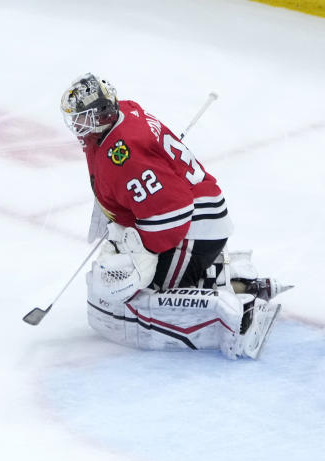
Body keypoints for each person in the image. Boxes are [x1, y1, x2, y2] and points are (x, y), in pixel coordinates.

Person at [60, 73, 291, 359]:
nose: (76, 124)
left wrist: (144, 252)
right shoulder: (122, 115)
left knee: (145, 293)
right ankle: (233, 278)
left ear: (100, 113)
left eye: (82, 117)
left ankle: (242, 313)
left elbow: (174, 210)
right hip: (192, 217)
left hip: (194, 227)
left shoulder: (124, 154)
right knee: (132, 275)